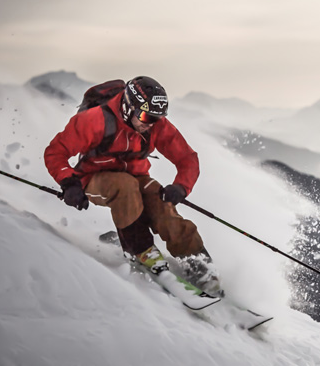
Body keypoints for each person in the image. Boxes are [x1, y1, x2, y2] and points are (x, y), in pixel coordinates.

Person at [43, 76, 220, 295]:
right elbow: (55, 152)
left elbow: (187, 159)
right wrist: (68, 183)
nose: (150, 123)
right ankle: (141, 249)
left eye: (156, 117)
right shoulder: (94, 121)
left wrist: (181, 187)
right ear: (128, 107)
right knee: (125, 187)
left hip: (136, 176)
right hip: (93, 177)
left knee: (159, 201)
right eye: (146, 116)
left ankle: (199, 264)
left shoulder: (155, 126)